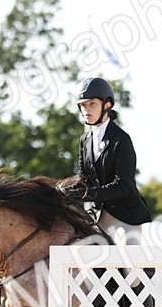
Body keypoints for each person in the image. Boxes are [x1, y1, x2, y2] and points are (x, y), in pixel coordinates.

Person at [64, 76, 152, 244]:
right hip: (99, 214)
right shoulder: (85, 140)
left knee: (130, 266)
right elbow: (84, 177)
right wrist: (66, 190)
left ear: (107, 104)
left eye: (92, 104)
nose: (86, 110)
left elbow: (122, 186)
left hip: (126, 214)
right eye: (83, 105)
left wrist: (88, 194)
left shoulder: (121, 139)